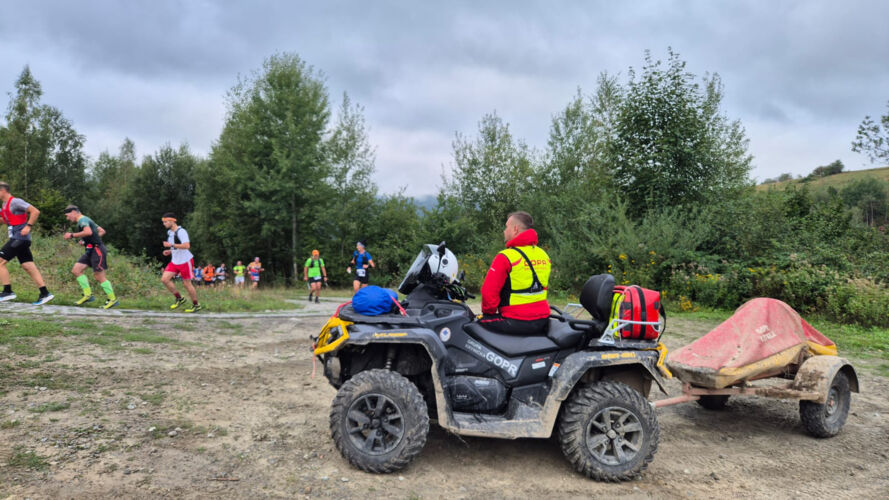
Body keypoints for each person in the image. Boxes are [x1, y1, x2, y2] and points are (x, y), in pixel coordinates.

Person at [479, 211, 551, 335]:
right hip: (542, 319)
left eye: (506, 227)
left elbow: (489, 293)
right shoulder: (543, 255)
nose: (504, 231)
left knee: (471, 323)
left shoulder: (505, 257)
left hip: (516, 320)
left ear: (515, 229)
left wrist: (488, 314)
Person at [0, 181, 54, 305]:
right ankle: (45, 293)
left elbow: (35, 211)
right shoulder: (4, 205)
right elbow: (5, 220)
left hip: (20, 239)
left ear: (2, 191)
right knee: (28, 266)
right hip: (18, 239)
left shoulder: (15, 201)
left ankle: (7, 291)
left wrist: (28, 226)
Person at [63, 205, 118, 309]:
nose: (67, 218)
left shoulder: (82, 220)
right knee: (76, 270)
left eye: (67, 215)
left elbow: (88, 232)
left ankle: (112, 299)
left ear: (74, 212)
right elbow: (101, 231)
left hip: (97, 250)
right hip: (90, 250)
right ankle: (88, 295)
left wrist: (71, 235)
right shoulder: (87, 219)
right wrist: (85, 240)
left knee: (99, 276)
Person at [160, 213, 201, 312]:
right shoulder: (170, 232)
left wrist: (171, 245)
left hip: (185, 261)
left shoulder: (181, 232)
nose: (164, 224)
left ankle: (196, 305)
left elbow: (187, 246)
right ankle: (179, 298)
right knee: (164, 279)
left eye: (165, 222)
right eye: (163, 222)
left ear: (172, 221)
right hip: (175, 261)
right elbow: (176, 246)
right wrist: (169, 251)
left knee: (187, 284)